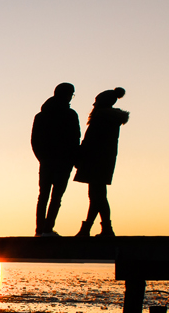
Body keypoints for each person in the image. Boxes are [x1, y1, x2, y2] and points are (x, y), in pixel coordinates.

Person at [73, 88, 129, 238]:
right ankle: (104, 229)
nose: (93, 103)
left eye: (96, 101)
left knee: (96, 196)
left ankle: (90, 229)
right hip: (103, 160)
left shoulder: (102, 118)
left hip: (95, 160)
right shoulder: (111, 119)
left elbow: (91, 141)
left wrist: (80, 156)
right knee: (98, 195)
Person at [31, 83, 80, 236]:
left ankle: (40, 230)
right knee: (56, 197)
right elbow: (75, 139)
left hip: (46, 161)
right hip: (64, 162)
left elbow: (34, 141)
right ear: (67, 94)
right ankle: (47, 229)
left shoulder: (41, 116)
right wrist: (72, 159)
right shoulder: (70, 115)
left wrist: (42, 158)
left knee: (43, 196)